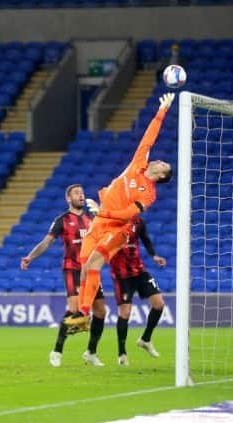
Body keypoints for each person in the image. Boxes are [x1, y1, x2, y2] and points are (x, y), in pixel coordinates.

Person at [64, 93, 174, 330]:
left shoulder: (149, 194)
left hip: (118, 228)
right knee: (85, 265)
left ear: (162, 175)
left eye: (164, 164)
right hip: (102, 220)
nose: (160, 160)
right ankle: (83, 315)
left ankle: (83, 315)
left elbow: (126, 215)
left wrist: (102, 213)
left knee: (93, 263)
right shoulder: (139, 164)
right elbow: (149, 138)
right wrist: (162, 110)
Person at [21, 184, 106, 367]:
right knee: (75, 308)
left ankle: (91, 352)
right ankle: (57, 351)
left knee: (100, 310)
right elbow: (46, 242)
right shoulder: (62, 220)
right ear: (69, 199)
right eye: (76, 193)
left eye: (82, 192)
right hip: (72, 269)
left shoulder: (92, 218)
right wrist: (30, 257)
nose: (81, 195)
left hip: (90, 270)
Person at [109, 215, 166, 366]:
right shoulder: (110, 220)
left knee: (159, 304)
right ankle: (122, 353)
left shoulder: (137, 220)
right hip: (121, 276)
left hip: (139, 271)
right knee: (125, 313)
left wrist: (154, 256)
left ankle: (145, 339)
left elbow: (145, 239)